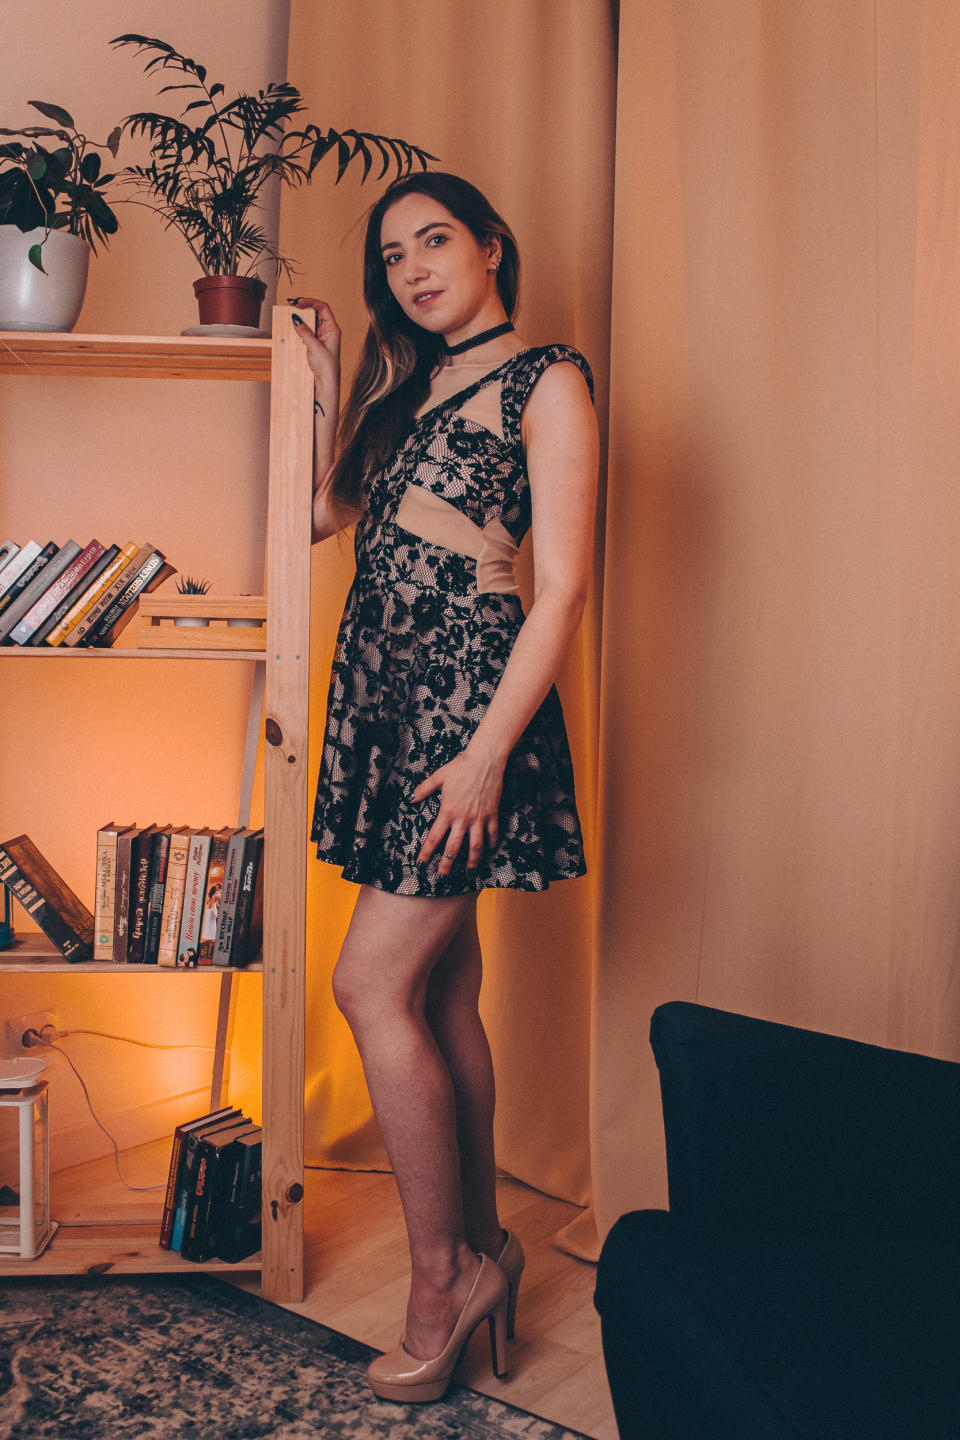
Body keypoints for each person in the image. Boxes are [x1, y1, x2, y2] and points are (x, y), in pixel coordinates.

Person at [290, 170, 598, 1404]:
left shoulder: (548, 379)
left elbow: (562, 587)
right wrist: (326, 382)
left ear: (491, 247)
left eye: (435, 241)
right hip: (386, 703)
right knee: (442, 988)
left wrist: (483, 755)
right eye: (394, 255)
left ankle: (441, 1278)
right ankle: (485, 1246)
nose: (414, 269)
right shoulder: (406, 388)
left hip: (468, 713)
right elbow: (319, 515)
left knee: (370, 983)